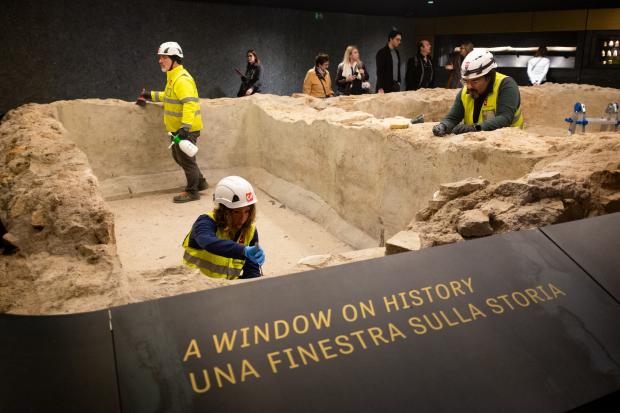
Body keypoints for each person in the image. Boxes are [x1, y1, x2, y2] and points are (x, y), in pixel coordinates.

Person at [139, 41, 207, 203]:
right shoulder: (173, 78)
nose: (160, 60)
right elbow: (168, 96)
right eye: (160, 57)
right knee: (179, 157)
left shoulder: (182, 79)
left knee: (187, 160)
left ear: (175, 59)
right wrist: (150, 95)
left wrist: (185, 127)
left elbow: (190, 104)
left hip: (185, 129)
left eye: (164, 57)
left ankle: (192, 191)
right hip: (177, 129)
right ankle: (200, 182)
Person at [182, 176, 265, 279]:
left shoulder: (250, 231)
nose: (242, 218)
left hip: (228, 287)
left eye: (247, 211)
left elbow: (251, 272)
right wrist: (243, 250)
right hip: (193, 283)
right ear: (224, 210)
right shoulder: (205, 222)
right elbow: (208, 242)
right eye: (236, 212)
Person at [432, 49, 524, 137]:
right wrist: (444, 126)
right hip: (478, 144)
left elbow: (505, 118)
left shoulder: (506, 85)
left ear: (489, 77)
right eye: (466, 81)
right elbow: (453, 118)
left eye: (475, 81)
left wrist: (475, 128)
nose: (469, 87)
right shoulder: (466, 91)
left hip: (508, 142)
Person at [376, 29, 402, 93]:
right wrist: (380, 87)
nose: (399, 42)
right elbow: (380, 71)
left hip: (396, 86)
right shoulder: (381, 52)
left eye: (400, 40)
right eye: (397, 39)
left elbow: (398, 68)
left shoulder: (397, 52)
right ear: (391, 39)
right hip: (385, 86)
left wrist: (399, 82)